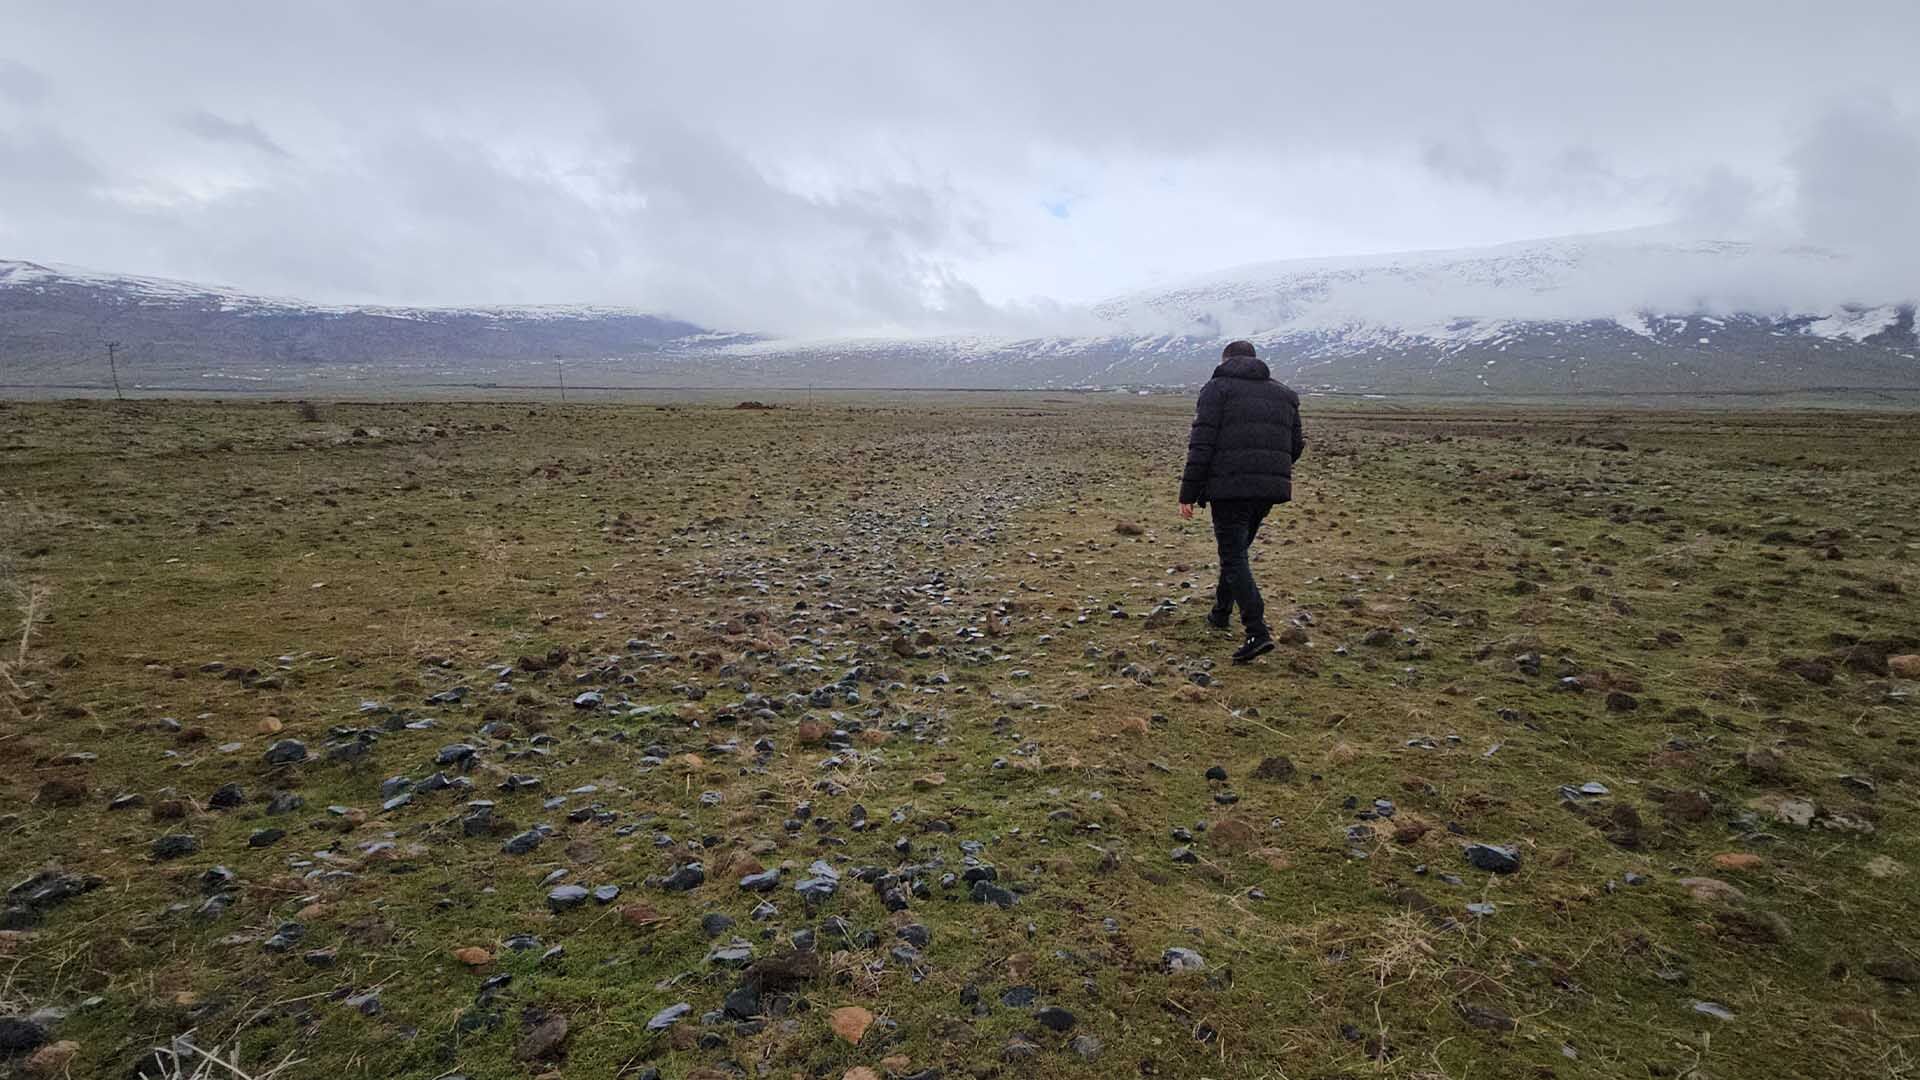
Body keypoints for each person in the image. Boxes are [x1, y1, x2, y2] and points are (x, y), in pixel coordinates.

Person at [1178, 340, 1305, 663]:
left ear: (1225, 359)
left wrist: (1188, 493)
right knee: (1237, 554)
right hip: (1268, 490)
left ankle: (1257, 631)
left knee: (1233, 556)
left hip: (1229, 488)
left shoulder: (1217, 389)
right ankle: (1220, 613)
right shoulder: (1285, 394)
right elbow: (1295, 445)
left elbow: (1201, 444)